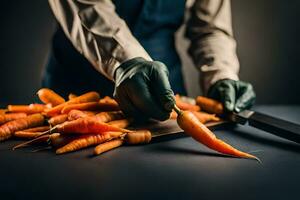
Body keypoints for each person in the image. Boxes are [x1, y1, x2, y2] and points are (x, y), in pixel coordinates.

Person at [44, 0, 256, 121]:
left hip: (166, 95)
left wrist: (221, 74)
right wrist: (125, 60)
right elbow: (86, 7)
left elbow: (209, 28)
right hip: (75, 97)